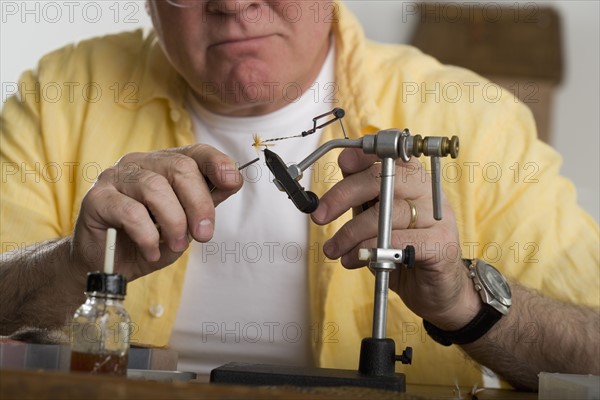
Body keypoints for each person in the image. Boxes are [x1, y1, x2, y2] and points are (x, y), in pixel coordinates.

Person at [1, 0, 598, 391]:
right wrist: (75, 264)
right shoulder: (60, 93)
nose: (233, 5)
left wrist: (469, 305)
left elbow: (590, 357)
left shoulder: (477, 119)